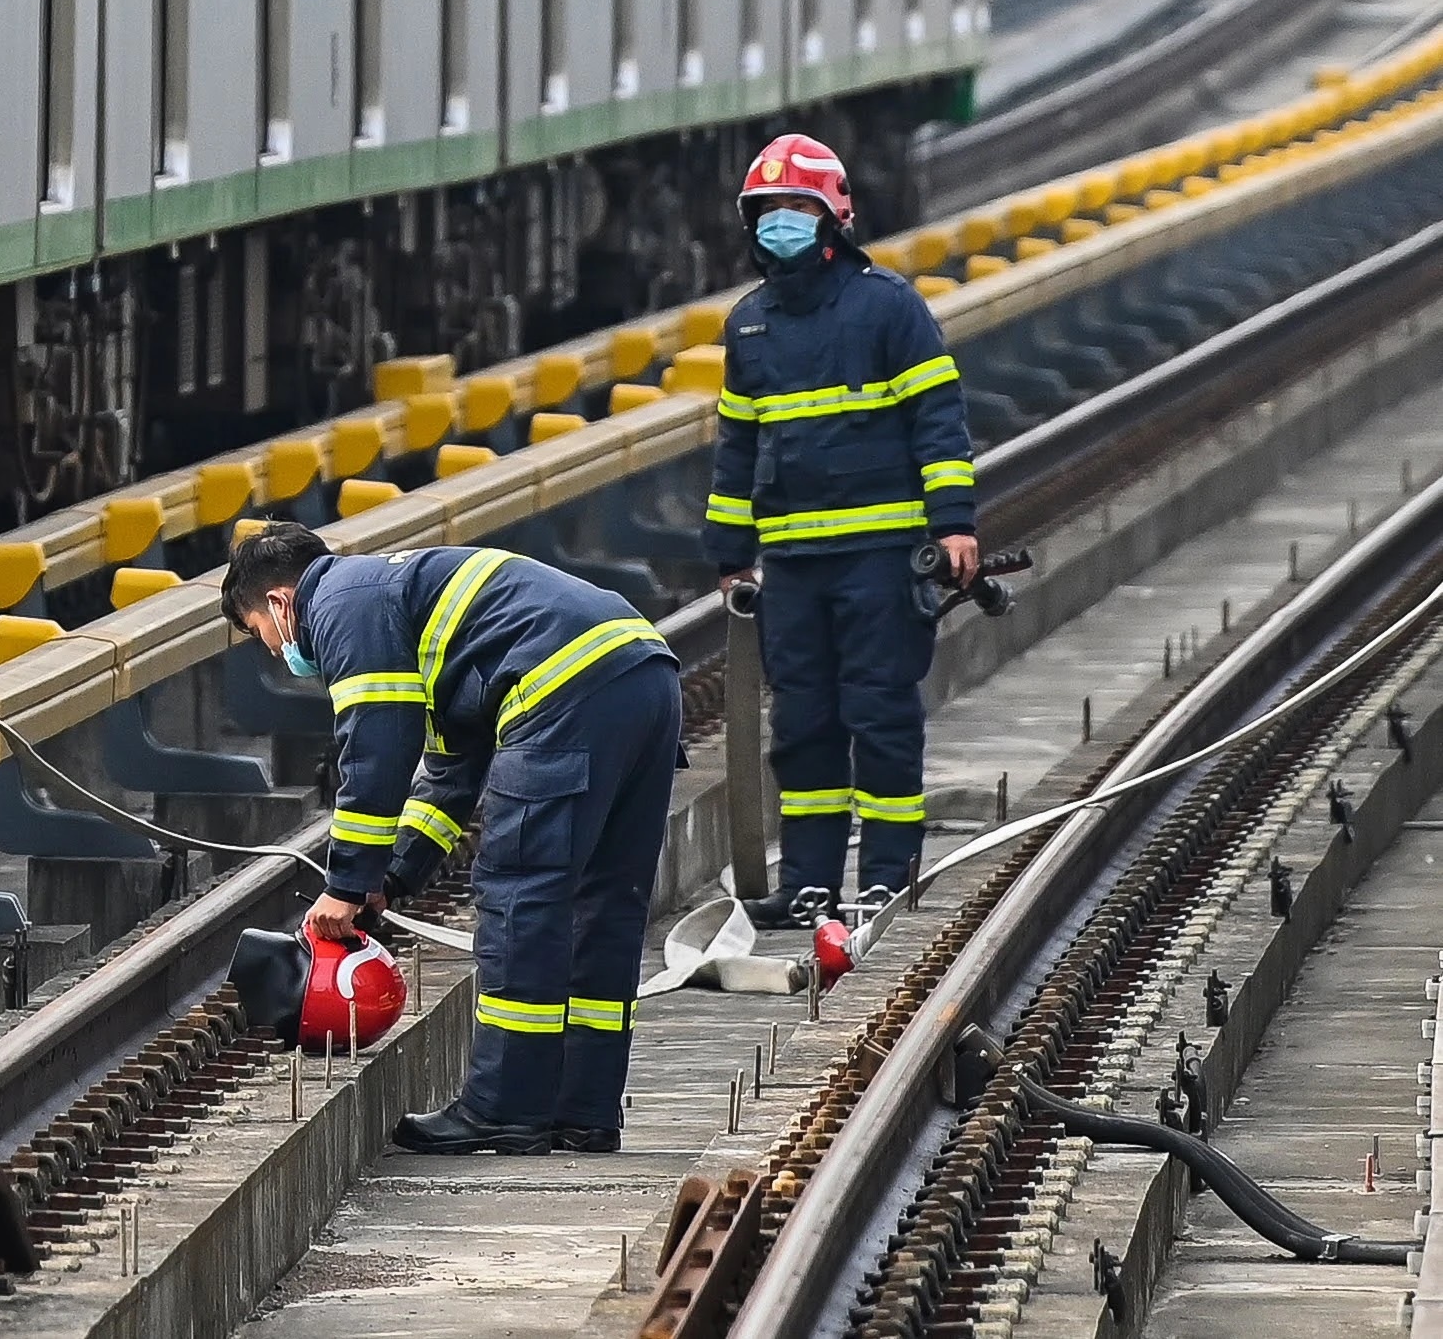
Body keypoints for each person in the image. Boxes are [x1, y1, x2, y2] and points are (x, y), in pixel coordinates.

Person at [225, 520, 681, 1156]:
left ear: (278, 602)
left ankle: (504, 1110)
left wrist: (345, 883)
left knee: (522, 900)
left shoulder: (337, 606)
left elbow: (377, 746)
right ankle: (584, 1111)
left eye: (260, 635)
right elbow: (449, 775)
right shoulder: (399, 600)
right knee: (604, 907)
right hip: (643, 673)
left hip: (561, 689)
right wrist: (391, 881)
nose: (276, 653)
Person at [701, 129, 978, 927]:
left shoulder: (887, 308)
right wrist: (729, 554)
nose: (778, 222)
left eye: (795, 206)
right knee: (804, 728)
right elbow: (737, 445)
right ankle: (811, 886)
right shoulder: (749, 327)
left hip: (879, 561)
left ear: (832, 215)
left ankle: (887, 881)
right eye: (766, 209)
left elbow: (937, 421)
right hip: (793, 565)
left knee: (880, 718)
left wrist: (953, 524)